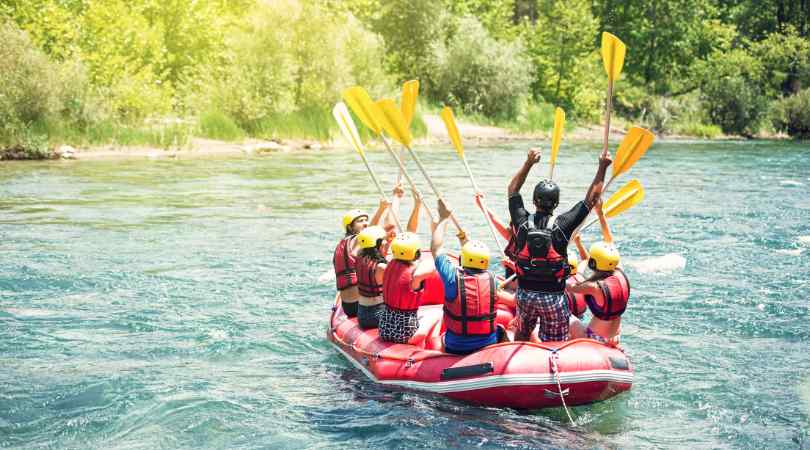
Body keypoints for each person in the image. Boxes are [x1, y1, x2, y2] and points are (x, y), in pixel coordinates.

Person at [507, 147, 611, 342]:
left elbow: (512, 190)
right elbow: (591, 200)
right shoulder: (563, 225)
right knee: (555, 341)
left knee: (522, 332)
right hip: (553, 296)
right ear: (556, 204)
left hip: (525, 294)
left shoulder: (521, 221)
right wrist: (602, 167)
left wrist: (529, 162)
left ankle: (520, 343)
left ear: (533, 200)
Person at [431, 200, 499, 354]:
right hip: (488, 345)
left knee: (437, 339)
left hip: (457, 347)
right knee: (501, 330)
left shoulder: (452, 277)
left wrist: (443, 218)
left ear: (463, 258)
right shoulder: (493, 279)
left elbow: (436, 248)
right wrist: (465, 242)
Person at [567, 199, 630, 345]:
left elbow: (567, 286)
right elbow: (610, 241)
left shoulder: (593, 287)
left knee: (569, 317)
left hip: (595, 338)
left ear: (594, 263)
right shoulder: (620, 273)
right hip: (615, 337)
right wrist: (600, 213)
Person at [355, 192, 422, 330]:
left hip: (361, 313)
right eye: (384, 240)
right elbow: (410, 236)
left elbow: (369, 235)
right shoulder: (382, 267)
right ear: (378, 244)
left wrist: (396, 199)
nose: (387, 241)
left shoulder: (359, 256)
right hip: (376, 314)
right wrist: (417, 206)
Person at [333, 201, 388, 318]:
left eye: (365, 220)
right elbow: (371, 231)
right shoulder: (355, 241)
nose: (365, 224)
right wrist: (381, 209)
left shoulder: (341, 245)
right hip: (358, 305)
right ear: (349, 227)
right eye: (360, 221)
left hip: (347, 306)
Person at [379, 232, 436, 343]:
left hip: (384, 328)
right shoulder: (415, 274)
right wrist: (419, 262)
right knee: (435, 315)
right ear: (416, 253)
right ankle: (430, 343)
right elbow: (432, 267)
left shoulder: (389, 265)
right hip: (405, 333)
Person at [473, 192, 518, 279]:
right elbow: (493, 218)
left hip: (523, 287)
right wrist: (481, 204)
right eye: (512, 226)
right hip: (509, 283)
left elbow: (531, 273)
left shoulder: (531, 244)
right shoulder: (511, 236)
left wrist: (511, 265)